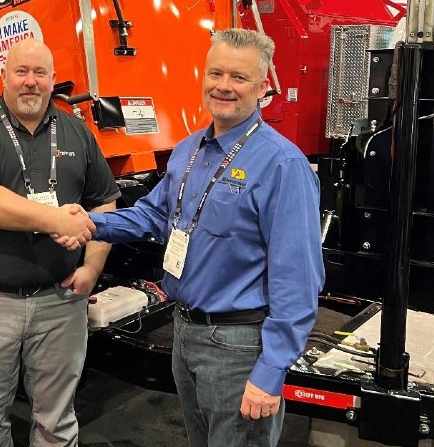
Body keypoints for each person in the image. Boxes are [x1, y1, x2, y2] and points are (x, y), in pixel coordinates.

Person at [86, 28, 324, 447]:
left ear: (263, 86)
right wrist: (89, 224)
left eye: (239, 77)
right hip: (185, 330)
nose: (224, 86)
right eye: (216, 73)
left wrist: (270, 372)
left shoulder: (282, 164)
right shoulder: (189, 150)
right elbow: (154, 215)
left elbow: (298, 278)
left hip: (238, 345)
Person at [0, 38, 120, 447]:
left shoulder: (76, 130)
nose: (30, 82)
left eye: (40, 73)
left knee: (57, 422)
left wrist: (91, 269)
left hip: (59, 305)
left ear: (53, 80)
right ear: (3, 76)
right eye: (21, 72)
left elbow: (105, 200)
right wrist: (58, 219)